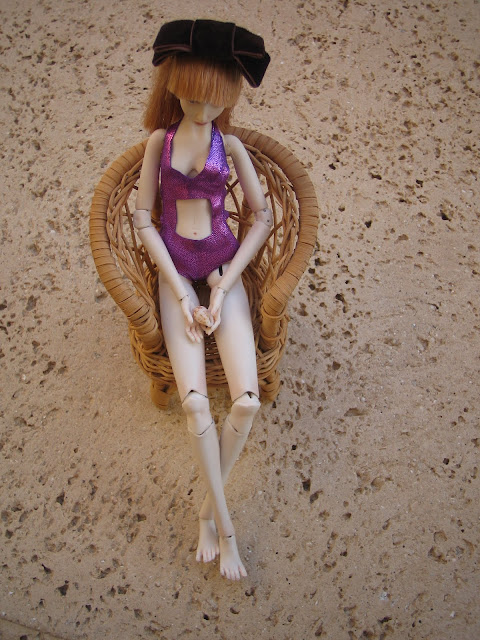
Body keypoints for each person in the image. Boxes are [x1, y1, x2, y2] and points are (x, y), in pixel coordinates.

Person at [133, 19, 272, 580]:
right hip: (176, 274)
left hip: (218, 268)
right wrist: (178, 289)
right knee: (194, 403)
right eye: (191, 97)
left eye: (215, 101)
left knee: (248, 402)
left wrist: (224, 283)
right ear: (171, 85)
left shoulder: (229, 146)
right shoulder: (159, 143)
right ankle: (223, 528)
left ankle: (207, 513)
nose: (202, 109)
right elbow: (144, 219)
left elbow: (261, 217)